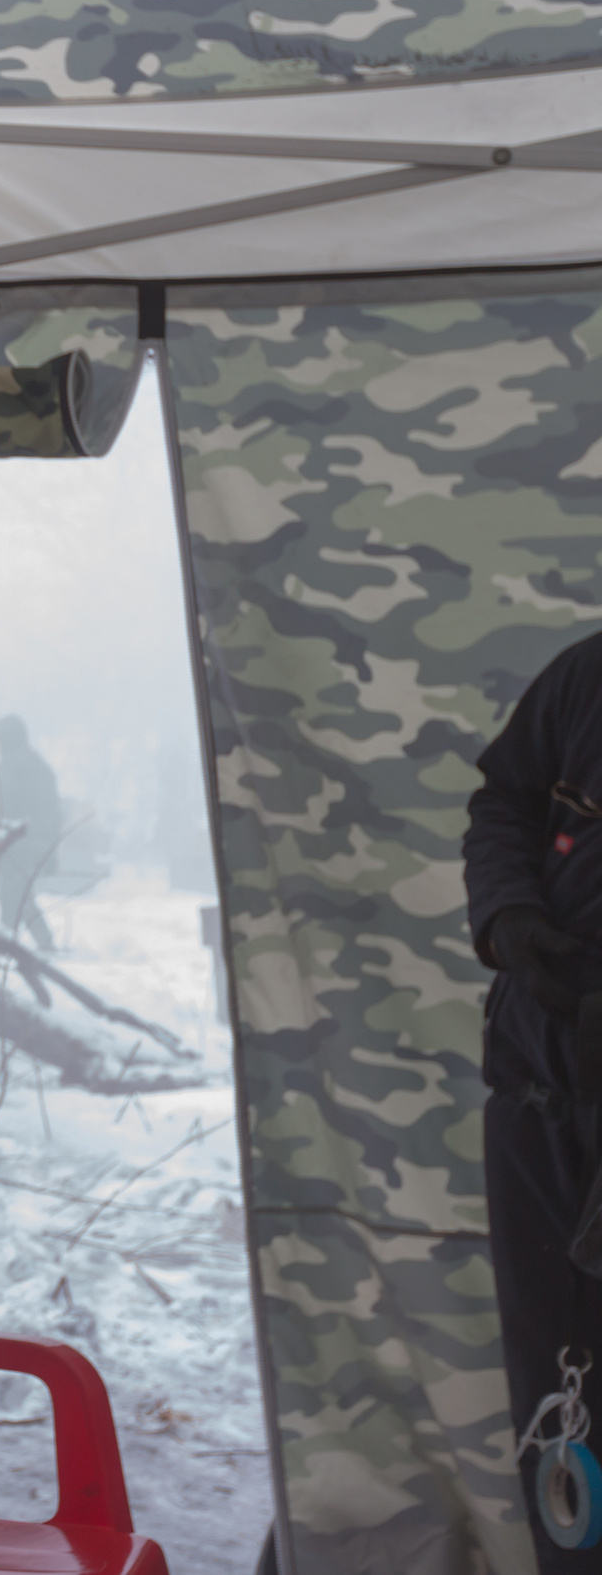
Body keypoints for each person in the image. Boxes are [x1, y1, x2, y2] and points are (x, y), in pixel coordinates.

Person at [465, 631, 602, 1573]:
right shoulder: (590, 673)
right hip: (537, 1100)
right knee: (560, 1403)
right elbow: (502, 800)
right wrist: (508, 913)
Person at [0, 714, 61, 951]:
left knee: (13, 896)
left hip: (16, 841)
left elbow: (3, 808)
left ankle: (5, 948)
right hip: (36, 840)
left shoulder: (10, 766)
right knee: (19, 896)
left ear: (7, 738)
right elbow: (55, 810)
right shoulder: (37, 764)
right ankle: (27, 946)